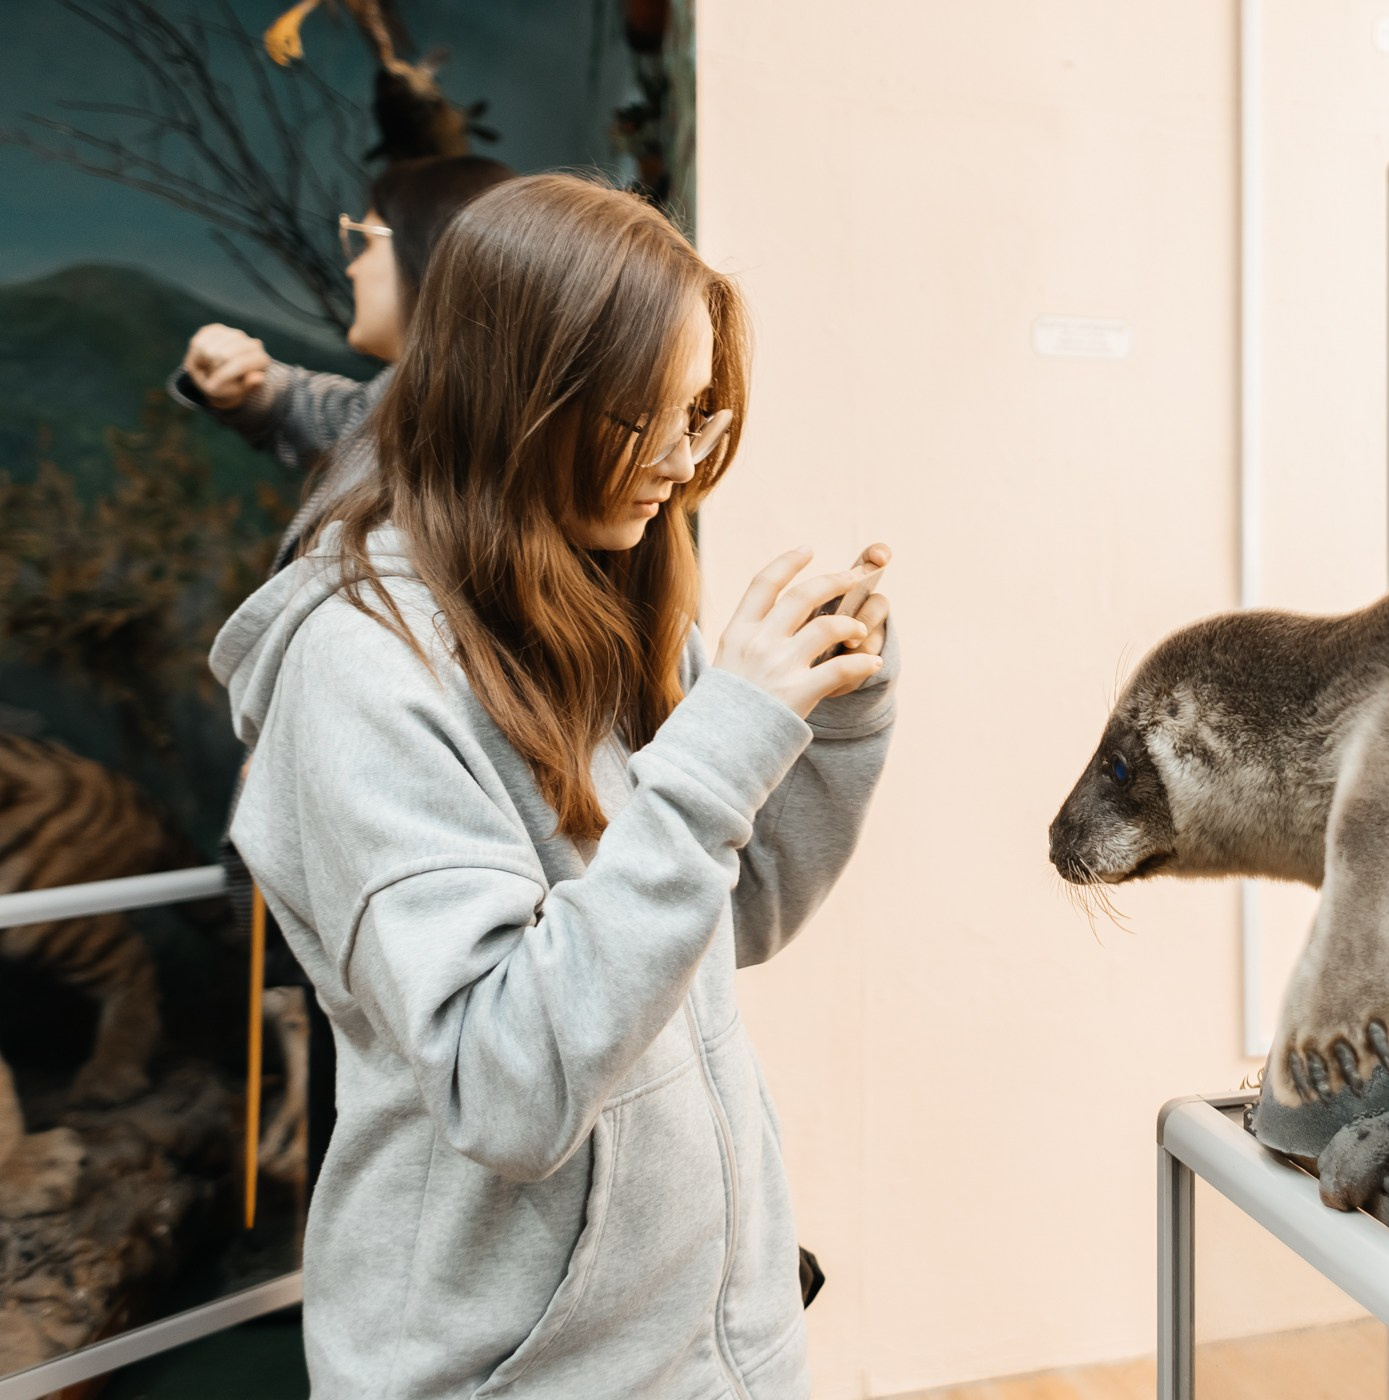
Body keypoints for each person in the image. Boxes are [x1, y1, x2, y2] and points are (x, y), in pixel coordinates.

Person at [208, 172, 895, 1398]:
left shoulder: (595, 595)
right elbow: (505, 1078)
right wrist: (722, 742)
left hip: (711, 1347)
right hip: (519, 1371)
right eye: (653, 417)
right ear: (530, 398)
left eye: (702, 416)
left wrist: (831, 718)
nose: (683, 465)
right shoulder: (360, 668)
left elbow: (729, 915)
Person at [172, 154, 515, 572]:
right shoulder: (404, 396)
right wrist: (243, 383)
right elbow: (318, 412)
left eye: (367, 243)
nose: (352, 268)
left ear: (430, 253)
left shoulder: (484, 468)